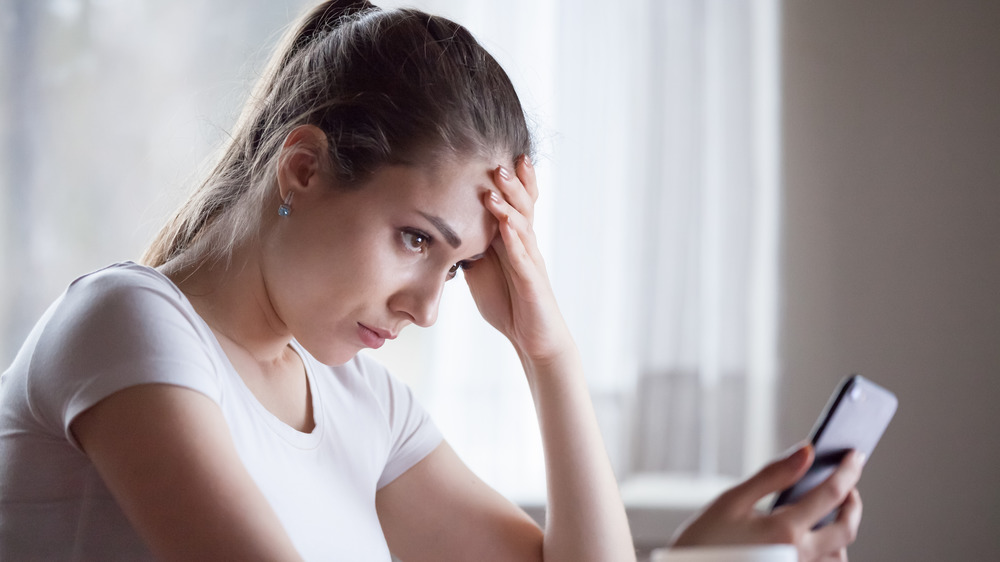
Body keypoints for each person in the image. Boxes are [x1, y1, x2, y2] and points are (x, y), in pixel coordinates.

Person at [0, 1, 864, 560]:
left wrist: (545, 346)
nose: (425, 308)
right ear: (301, 168)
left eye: (454, 267)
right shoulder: (130, 323)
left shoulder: (358, 401)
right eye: (416, 238)